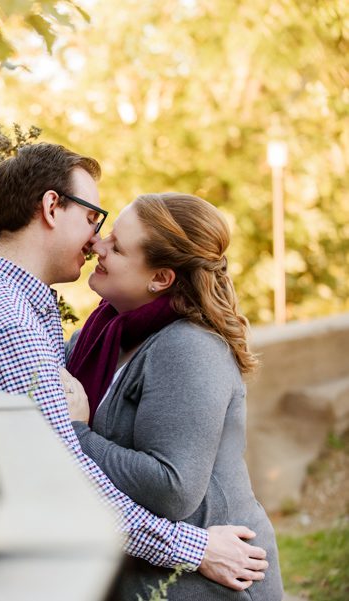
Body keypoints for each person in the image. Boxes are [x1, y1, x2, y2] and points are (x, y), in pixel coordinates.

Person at [0, 143, 269, 590]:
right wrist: (195, 548)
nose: (96, 239)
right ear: (50, 207)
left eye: (111, 238)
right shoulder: (12, 325)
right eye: (91, 218)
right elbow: (70, 483)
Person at [64, 193, 283, 599]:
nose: (98, 244)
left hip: (208, 584)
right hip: (151, 575)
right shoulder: (103, 334)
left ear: (160, 278)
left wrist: (76, 435)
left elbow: (171, 488)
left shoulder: (188, 348)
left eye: (117, 245)